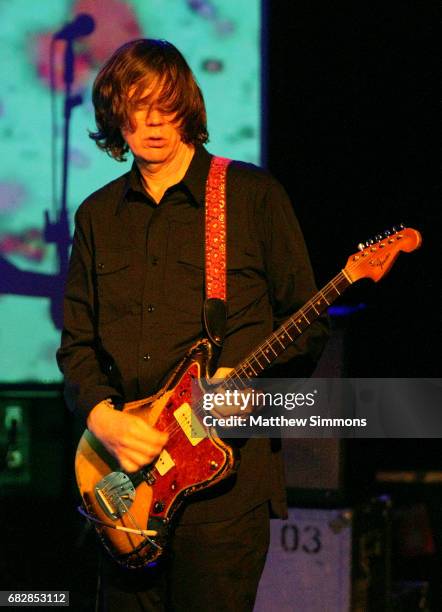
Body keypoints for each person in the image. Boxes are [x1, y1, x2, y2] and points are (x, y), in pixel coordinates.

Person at [57, 38, 329, 611]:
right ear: (115, 114)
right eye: (137, 105)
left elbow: (307, 327)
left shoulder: (251, 196)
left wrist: (252, 391)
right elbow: (77, 347)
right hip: (125, 483)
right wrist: (102, 418)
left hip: (225, 492)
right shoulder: (96, 217)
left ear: (187, 105)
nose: (153, 121)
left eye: (166, 103)